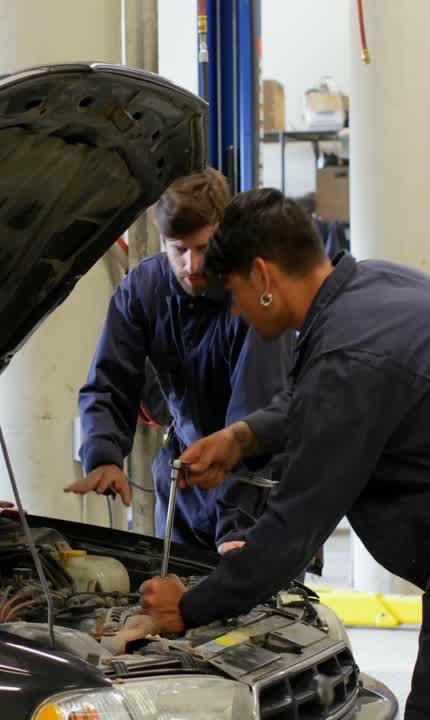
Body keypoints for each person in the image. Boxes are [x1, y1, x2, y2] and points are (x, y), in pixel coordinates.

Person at [139, 188, 430, 719]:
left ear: (263, 276)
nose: (236, 309)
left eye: (234, 292)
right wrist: (242, 437)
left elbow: (294, 527)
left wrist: (189, 606)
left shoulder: (347, 354)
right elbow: (321, 398)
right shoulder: (370, 290)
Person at [64, 169, 293, 552]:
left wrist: (237, 529)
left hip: (259, 489)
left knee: (252, 589)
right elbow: (110, 380)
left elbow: (254, 420)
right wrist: (103, 455)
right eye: (179, 249)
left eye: (203, 248)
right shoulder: (143, 290)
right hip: (186, 487)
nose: (191, 265)